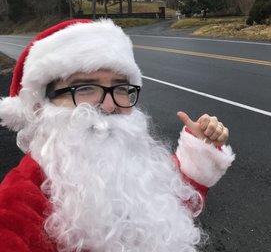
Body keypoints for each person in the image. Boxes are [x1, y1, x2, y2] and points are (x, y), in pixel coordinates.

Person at [0, 19, 235, 252]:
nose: (110, 104)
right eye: (84, 88)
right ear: (41, 106)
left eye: (121, 88)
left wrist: (196, 160)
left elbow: (161, 212)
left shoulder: (130, 168)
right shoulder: (17, 202)